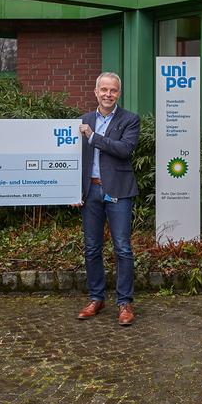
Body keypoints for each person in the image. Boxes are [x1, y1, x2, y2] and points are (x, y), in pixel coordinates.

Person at [76, 72, 140, 326]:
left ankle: (125, 302)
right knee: (91, 247)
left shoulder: (129, 120)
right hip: (90, 191)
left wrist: (93, 137)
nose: (108, 94)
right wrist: (72, 191)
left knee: (122, 248)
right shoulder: (83, 119)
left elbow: (124, 150)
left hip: (118, 191)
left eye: (113, 90)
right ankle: (96, 298)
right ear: (95, 92)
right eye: (103, 89)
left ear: (118, 94)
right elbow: (74, 159)